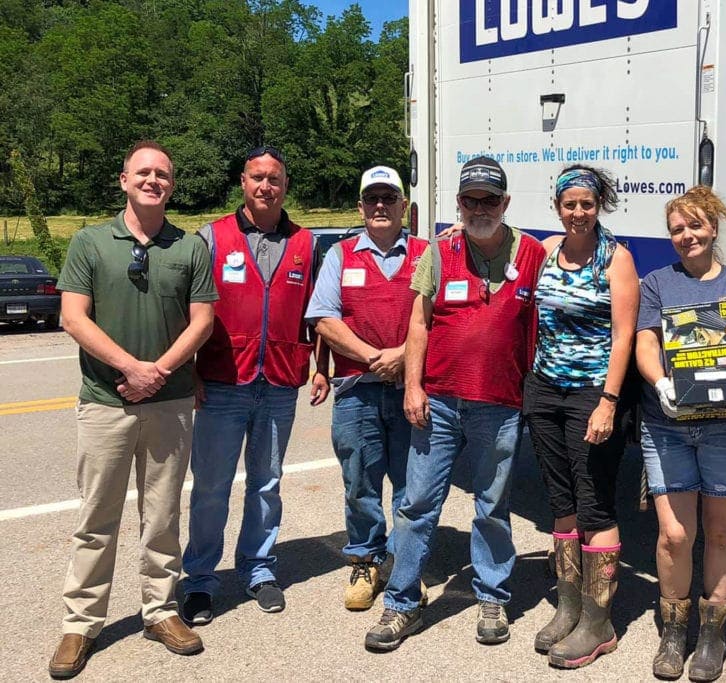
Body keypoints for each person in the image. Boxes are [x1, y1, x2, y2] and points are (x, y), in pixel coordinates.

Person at [364, 156, 547, 651]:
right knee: (417, 505)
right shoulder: (441, 251)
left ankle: (492, 595)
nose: (480, 208)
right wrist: (413, 386)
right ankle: (401, 604)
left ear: (506, 203)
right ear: (459, 204)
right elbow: (418, 323)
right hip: (439, 401)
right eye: (471, 200)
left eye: (490, 199)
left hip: (500, 403)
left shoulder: (532, 253)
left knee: (492, 506)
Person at [49, 140, 217, 679]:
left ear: (172, 184)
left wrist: (157, 373)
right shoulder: (90, 243)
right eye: (142, 172)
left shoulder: (190, 247)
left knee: (163, 516)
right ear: (123, 180)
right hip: (105, 403)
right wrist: (131, 369)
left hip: (169, 405)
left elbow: (202, 322)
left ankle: (161, 611)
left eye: (162, 174)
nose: (153, 180)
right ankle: (81, 623)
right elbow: (73, 318)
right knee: (96, 518)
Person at [635, 186, 726, 681]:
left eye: (695, 226)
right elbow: (645, 344)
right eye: (677, 229)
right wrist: (659, 384)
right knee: (675, 535)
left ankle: (712, 633)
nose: (686, 236)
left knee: (721, 530)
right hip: (668, 426)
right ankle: (674, 629)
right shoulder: (657, 283)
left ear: (713, 228)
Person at [180, 145, 328, 624]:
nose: (266, 186)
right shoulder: (211, 238)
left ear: (286, 186)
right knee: (211, 488)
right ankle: (201, 580)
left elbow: (321, 313)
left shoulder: (307, 243)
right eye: (257, 177)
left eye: (275, 179)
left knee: (267, 485)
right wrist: (188, 371)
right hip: (223, 381)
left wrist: (321, 364)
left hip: (280, 383)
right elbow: (183, 312)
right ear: (242, 181)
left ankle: (259, 568)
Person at [522, 165, 639, 669]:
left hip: (593, 393)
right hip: (545, 390)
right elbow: (504, 245)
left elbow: (623, 337)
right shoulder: (547, 251)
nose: (578, 213)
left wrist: (609, 402)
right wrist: (459, 229)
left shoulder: (617, 260)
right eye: (569, 204)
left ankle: (599, 622)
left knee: (594, 505)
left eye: (586, 204)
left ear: (599, 206)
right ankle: (568, 609)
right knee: (560, 500)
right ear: (557, 206)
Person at [305, 165, 428, 611]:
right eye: (371, 198)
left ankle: (405, 563)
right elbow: (323, 317)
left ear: (403, 207)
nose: (380, 206)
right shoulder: (340, 255)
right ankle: (366, 558)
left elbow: (436, 319)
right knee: (360, 482)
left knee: (413, 484)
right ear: (360, 206)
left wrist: (400, 356)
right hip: (357, 389)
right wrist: (374, 355)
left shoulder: (425, 254)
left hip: (409, 387)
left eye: (388, 198)